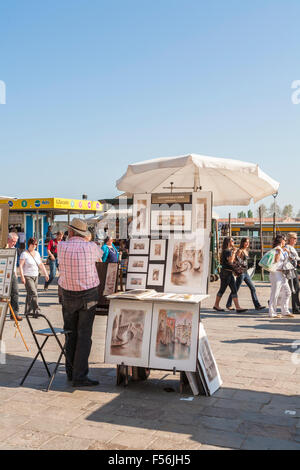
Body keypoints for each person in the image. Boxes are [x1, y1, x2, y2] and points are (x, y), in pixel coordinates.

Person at [57, 218, 102, 387]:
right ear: (84, 234)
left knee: (70, 333)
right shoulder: (91, 247)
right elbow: (101, 256)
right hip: (88, 295)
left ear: (70, 232)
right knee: (84, 336)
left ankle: (70, 371)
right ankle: (80, 375)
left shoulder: (61, 247)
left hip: (67, 294)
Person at [226, 237, 265, 311]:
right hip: (241, 273)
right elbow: (234, 261)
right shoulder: (240, 251)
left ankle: (257, 305)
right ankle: (229, 304)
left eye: (248, 242)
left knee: (252, 288)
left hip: (246, 272)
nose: (247, 243)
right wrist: (235, 271)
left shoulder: (246, 250)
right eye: (246, 242)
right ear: (242, 243)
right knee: (236, 289)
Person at [213, 237, 247, 313]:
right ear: (229, 242)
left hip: (227, 272)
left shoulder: (226, 251)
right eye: (232, 241)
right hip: (226, 273)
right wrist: (234, 252)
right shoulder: (227, 251)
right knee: (223, 289)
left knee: (233, 290)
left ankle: (237, 307)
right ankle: (216, 305)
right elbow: (230, 261)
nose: (234, 242)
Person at [19, 238, 49, 317]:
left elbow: (41, 265)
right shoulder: (24, 254)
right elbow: (21, 266)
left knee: (30, 294)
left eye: (36, 244)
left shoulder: (37, 253)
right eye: (34, 244)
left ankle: (28, 311)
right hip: (27, 276)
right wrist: (22, 277)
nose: (35, 246)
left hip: (35, 275)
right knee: (34, 293)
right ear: (30, 244)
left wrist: (46, 274)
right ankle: (37, 310)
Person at [269, 234, 294, 319]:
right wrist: (280, 252)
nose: (286, 241)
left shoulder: (282, 249)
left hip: (282, 274)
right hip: (276, 273)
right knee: (274, 293)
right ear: (281, 240)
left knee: (288, 292)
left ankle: (285, 311)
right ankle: (272, 312)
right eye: (285, 240)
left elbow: (286, 261)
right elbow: (275, 261)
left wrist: (287, 252)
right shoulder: (276, 249)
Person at [6, 232, 22, 321]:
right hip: (3, 273)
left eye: (16, 241)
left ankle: (14, 314)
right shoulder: (3, 248)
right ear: (8, 239)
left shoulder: (15, 250)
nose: (14, 243)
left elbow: (15, 262)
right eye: (13, 241)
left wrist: (15, 272)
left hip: (13, 274)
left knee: (15, 293)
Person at [286, 232, 300, 314]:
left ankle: (297, 306)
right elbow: (290, 257)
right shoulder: (288, 247)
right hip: (290, 270)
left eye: (296, 238)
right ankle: (296, 308)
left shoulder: (292, 247)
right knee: (295, 288)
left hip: (294, 269)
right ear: (289, 239)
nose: (296, 239)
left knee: (294, 288)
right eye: (294, 238)